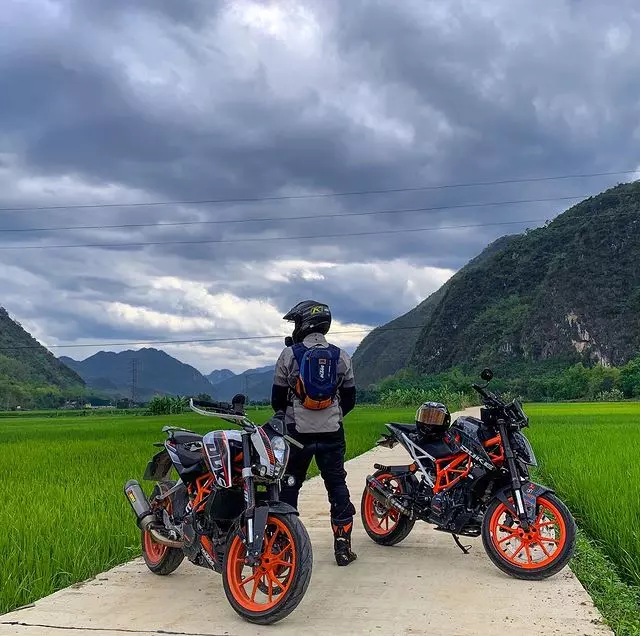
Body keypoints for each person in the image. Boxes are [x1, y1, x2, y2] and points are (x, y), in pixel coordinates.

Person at [272, 300, 358, 566]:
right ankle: (343, 547)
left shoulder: (288, 355)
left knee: (289, 486)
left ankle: (285, 547)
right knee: (337, 485)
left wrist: (300, 414)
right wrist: (329, 415)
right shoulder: (341, 355)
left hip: (297, 433)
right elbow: (350, 399)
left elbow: (277, 400)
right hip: (332, 432)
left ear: (304, 325)